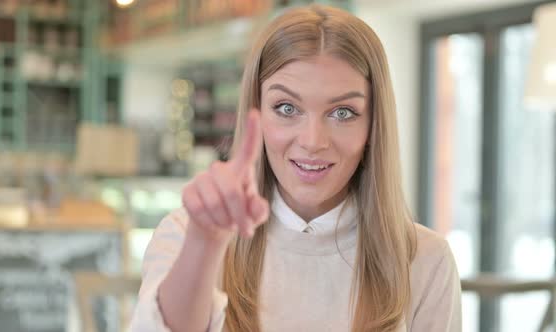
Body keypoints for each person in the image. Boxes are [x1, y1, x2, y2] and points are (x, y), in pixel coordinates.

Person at [129, 4, 461, 332]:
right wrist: (205, 243)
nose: (313, 141)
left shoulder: (426, 260)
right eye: (287, 108)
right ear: (255, 113)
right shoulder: (187, 235)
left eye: (342, 112)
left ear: (374, 126)